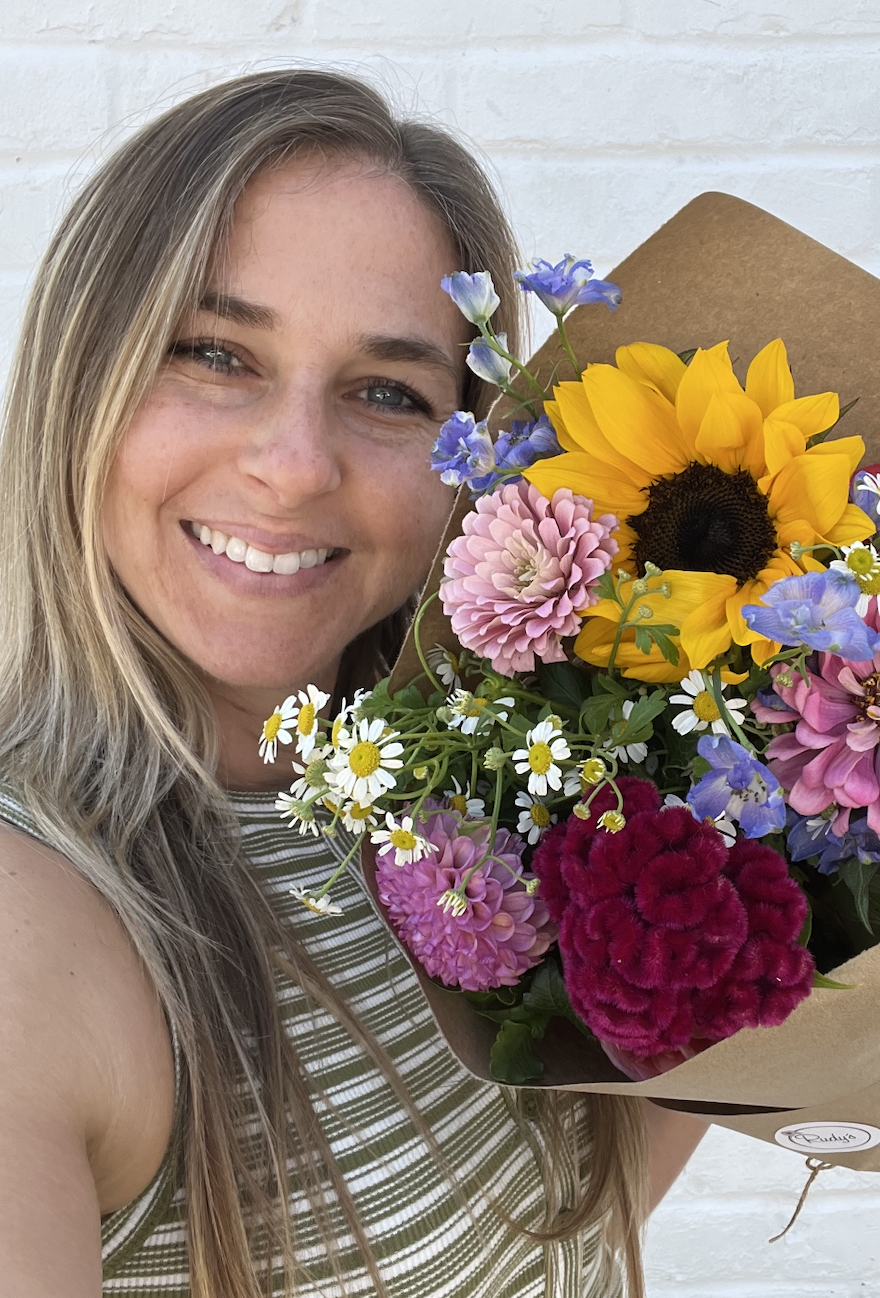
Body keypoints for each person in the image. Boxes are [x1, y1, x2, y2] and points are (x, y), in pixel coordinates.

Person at [0, 69, 705, 1298]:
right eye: (215, 353)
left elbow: (543, 1239)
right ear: (80, 380)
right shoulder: (32, 935)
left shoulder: (496, 792)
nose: (292, 466)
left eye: (388, 392)